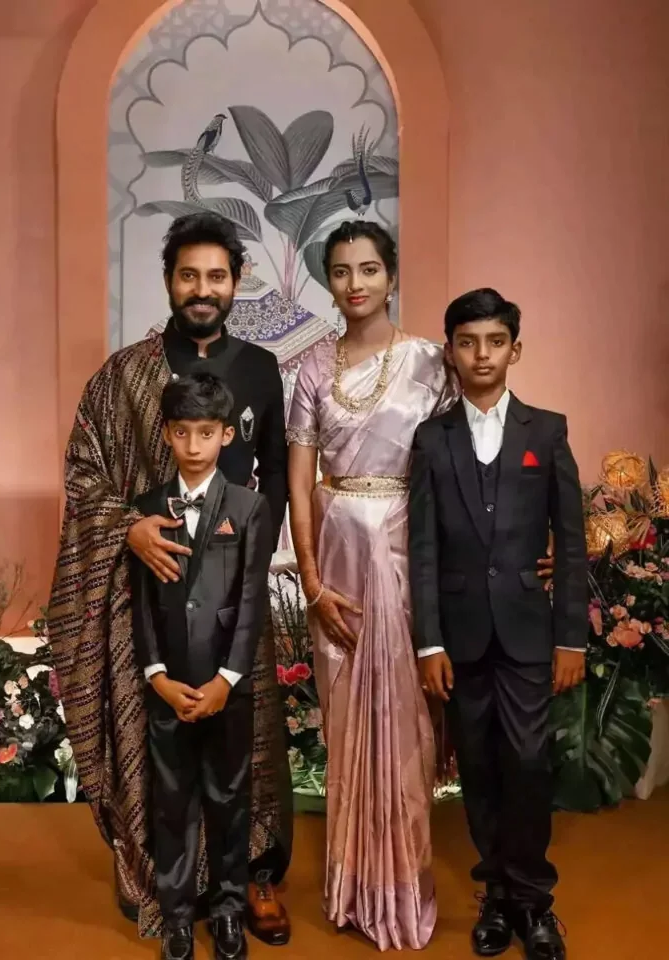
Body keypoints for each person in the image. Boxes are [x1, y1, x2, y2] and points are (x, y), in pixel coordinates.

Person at [286, 221, 554, 952]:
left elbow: (475, 459)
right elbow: (300, 482)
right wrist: (311, 581)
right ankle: (352, 887)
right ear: (328, 282)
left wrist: (521, 544)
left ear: (392, 276)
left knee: (408, 726)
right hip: (337, 559)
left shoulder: (432, 362)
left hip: (414, 555)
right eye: (342, 271)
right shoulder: (309, 369)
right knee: (348, 724)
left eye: (370, 268)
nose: (356, 283)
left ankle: (404, 889)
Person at [47, 213, 292, 944]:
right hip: (147, 590)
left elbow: (278, 473)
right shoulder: (125, 375)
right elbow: (84, 471)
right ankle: (171, 881)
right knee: (166, 745)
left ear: (237, 283)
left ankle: (253, 876)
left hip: (235, 589)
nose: (202, 289)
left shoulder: (261, 368)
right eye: (189, 275)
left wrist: (252, 560)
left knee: (248, 738)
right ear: (168, 282)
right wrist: (127, 528)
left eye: (216, 276)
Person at [408, 288, 588, 960]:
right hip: (459, 636)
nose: (481, 355)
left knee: (529, 762)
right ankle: (495, 896)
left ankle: (533, 902)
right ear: (450, 351)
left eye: (494, 342)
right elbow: (422, 548)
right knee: (478, 766)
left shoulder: (547, 431)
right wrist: (429, 641)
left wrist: (570, 637)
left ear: (516, 349)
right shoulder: (432, 439)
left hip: (529, 632)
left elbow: (572, 543)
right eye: (467, 342)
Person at [131, 373, 272, 960]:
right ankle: (177, 916)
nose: (194, 445)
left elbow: (253, 601)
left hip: (225, 687)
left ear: (226, 435)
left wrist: (226, 680)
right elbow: (141, 605)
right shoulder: (145, 512)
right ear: (167, 433)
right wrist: (157, 676)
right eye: (183, 432)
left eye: (206, 433)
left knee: (229, 798)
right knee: (172, 801)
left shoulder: (250, 506)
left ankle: (230, 909)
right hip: (168, 686)